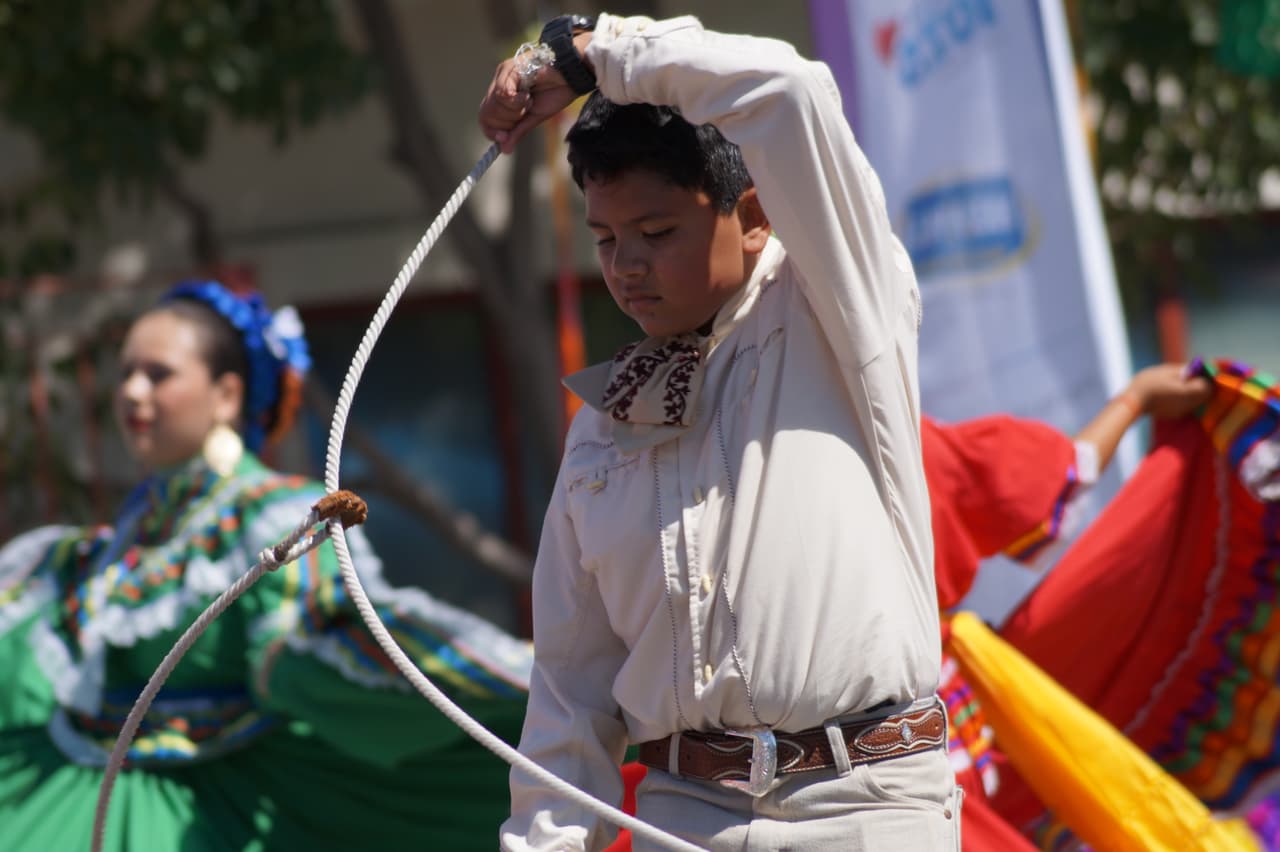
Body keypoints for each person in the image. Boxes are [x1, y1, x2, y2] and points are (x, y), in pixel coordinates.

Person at [479, 11, 957, 851]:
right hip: (681, 818)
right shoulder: (604, 423)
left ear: (756, 215)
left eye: (657, 233)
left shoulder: (838, 314)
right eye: (605, 238)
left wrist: (594, 53)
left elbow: (791, 91)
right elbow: (569, 696)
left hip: (866, 809)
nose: (626, 266)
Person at [0, 280, 533, 850]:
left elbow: (335, 641)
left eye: (158, 374)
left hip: (208, 822)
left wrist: (540, 680)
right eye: (125, 372)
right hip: (73, 802)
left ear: (226, 395)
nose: (131, 391)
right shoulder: (92, 551)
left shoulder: (268, 517)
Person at [923, 357, 1280, 848]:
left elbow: (1046, 487)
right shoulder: (891, 441)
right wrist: (1136, 399)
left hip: (841, 766)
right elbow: (1054, 485)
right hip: (928, 746)